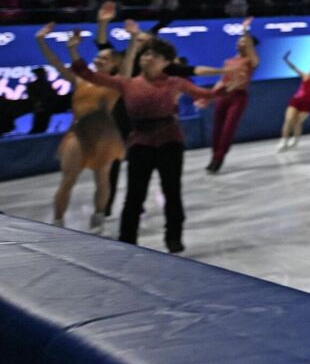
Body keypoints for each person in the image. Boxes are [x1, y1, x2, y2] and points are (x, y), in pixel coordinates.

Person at [65, 24, 218, 252]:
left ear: (166, 62)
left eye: (154, 55)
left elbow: (207, 94)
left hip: (170, 141)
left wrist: (226, 86)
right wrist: (73, 50)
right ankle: (128, 239)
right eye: (146, 54)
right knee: (134, 195)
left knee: (172, 192)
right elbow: (88, 74)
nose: (148, 58)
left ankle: (173, 238)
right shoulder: (127, 83)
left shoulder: (175, 82)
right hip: (140, 142)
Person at [33, 24, 125, 231]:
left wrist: (134, 42)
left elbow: (127, 68)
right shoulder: (81, 79)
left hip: (104, 135)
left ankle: (99, 217)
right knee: (68, 179)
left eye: (104, 59)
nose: (98, 60)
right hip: (77, 133)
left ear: (115, 64)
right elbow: (55, 62)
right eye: (98, 57)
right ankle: (58, 222)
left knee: (102, 179)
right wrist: (43, 41)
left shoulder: (116, 83)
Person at [198, 18, 259, 172]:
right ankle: (213, 156)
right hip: (223, 95)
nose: (240, 42)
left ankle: (219, 158)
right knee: (217, 128)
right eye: (239, 40)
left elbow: (249, 45)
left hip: (238, 97)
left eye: (244, 41)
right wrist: (209, 96)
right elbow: (221, 81)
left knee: (228, 129)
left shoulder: (251, 60)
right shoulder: (229, 61)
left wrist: (244, 30)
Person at [277, 53, 310, 151]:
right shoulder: (305, 76)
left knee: (297, 122)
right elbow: (294, 68)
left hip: (307, 105)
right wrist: (286, 60)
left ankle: (295, 140)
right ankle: (284, 141)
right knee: (289, 119)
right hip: (296, 101)